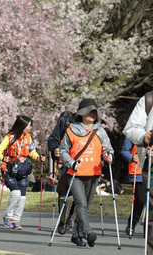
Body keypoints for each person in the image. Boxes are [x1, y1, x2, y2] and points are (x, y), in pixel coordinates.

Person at [60, 99, 113, 247]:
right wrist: (71, 163)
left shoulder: (100, 131)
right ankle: (88, 232)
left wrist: (108, 156)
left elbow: (107, 149)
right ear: (82, 113)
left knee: (86, 206)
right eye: (89, 111)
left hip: (94, 173)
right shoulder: (71, 130)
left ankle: (76, 235)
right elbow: (63, 151)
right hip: (75, 173)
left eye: (94, 112)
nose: (92, 115)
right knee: (81, 203)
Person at [0, 115, 46, 230]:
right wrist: (4, 159)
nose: (30, 128)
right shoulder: (9, 137)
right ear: (22, 125)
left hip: (22, 169)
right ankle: (8, 217)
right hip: (10, 169)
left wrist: (39, 158)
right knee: (16, 193)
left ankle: (16, 219)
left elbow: (32, 151)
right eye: (28, 125)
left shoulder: (28, 137)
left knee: (22, 197)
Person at [123, 92, 153, 251]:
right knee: (141, 200)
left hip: (145, 169)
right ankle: (132, 224)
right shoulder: (136, 132)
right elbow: (125, 150)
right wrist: (132, 156)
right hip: (139, 170)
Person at [47, 111, 76, 235]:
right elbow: (52, 140)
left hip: (83, 164)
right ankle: (63, 220)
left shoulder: (92, 125)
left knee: (76, 196)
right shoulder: (65, 122)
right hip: (65, 164)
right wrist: (55, 149)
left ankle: (68, 218)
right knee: (64, 193)